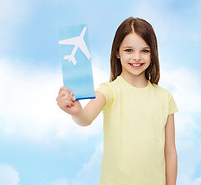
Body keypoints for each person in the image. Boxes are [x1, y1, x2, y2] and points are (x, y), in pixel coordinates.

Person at [56, 17, 178, 185]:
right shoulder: (109, 90)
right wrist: (76, 112)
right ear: (117, 52)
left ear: (153, 53)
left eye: (145, 50)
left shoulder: (165, 98)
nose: (137, 57)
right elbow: (85, 118)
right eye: (129, 50)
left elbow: (170, 152)